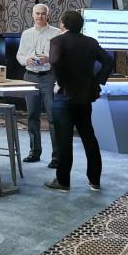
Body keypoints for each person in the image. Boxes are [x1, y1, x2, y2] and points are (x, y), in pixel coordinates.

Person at [44, 10, 114, 193]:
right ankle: (94, 180)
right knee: (89, 137)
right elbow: (108, 62)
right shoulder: (91, 42)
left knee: (64, 140)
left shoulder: (57, 41)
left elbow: (55, 61)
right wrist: (97, 81)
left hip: (64, 97)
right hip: (84, 97)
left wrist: (60, 82)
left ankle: (63, 182)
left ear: (63, 24)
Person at [16, 3, 62, 167]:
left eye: (43, 13)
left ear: (47, 15)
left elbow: (61, 56)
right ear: (32, 14)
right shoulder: (26, 33)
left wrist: (49, 58)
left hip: (49, 77)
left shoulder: (56, 33)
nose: (40, 16)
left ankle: (57, 157)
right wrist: (26, 60)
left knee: (53, 117)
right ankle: (34, 152)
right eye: (37, 13)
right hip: (30, 77)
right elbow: (19, 55)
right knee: (32, 116)